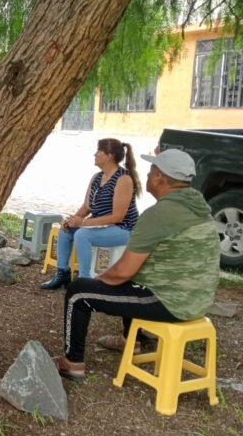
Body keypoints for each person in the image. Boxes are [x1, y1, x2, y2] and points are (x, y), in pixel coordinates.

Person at [53, 149, 220, 382]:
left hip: (171, 302)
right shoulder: (200, 208)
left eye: (151, 171)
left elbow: (122, 272)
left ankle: (73, 363)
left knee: (79, 292)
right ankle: (132, 341)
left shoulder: (159, 215)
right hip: (198, 299)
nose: (147, 176)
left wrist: (96, 284)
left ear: (160, 177)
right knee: (135, 280)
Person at [41, 138, 141, 289]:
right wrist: (73, 220)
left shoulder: (123, 179)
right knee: (65, 231)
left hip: (123, 228)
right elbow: (87, 206)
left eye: (98, 152)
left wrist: (83, 223)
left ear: (109, 156)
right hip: (100, 225)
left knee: (82, 235)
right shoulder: (97, 177)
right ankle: (63, 273)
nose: (94, 155)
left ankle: (84, 281)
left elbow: (118, 216)